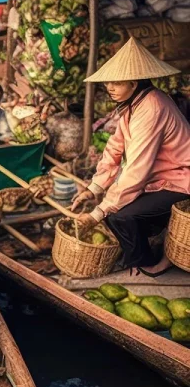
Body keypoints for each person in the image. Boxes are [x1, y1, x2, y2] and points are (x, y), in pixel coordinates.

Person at [71, 38, 190, 277]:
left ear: (134, 83)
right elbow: (114, 150)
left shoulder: (152, 107)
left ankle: (146, 263)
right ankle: (149, 243)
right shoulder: (133, 104)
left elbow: (137, 169)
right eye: (108, 83)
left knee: (120, 215)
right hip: (160, 179)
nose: (110, 88)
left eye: (117, 82)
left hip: (180, 180)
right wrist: (92, 189)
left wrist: (97, 212)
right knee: (112, 208)